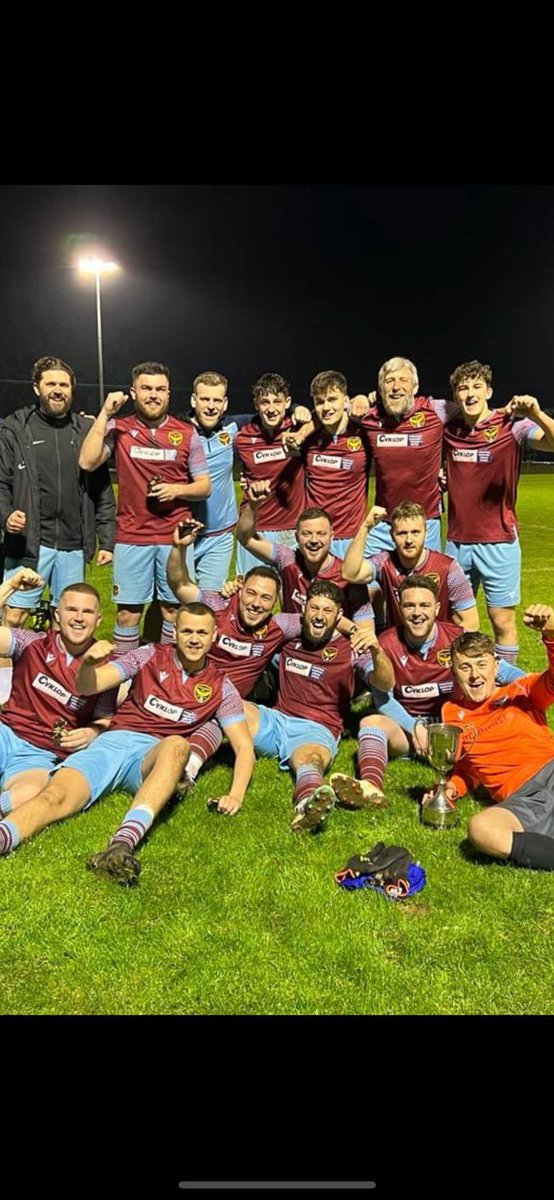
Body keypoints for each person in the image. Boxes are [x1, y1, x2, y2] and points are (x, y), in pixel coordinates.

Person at [0, 601, 254, 884]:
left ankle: (122, 844)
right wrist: (88, 664)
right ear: (175, 633)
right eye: (187, 631)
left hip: (153, 757)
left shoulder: (221, 686)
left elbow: (243, 747)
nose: (194, 639)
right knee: (52, 796)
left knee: (178, 745)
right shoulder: (148, 655)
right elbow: (88, 686)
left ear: (214, 636)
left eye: (201, 633)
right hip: (114, 743)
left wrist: (236, 795)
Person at [166, 521, 373, 786]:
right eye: (250, 593)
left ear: (275, 602)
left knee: (223, 705)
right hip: (180, 685)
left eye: (265, 598)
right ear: (238, 590)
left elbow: (318, 617)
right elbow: (179, 583)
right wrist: (177, 548)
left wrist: (355, 631)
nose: (256, 603)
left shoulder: (280, 625)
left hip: (218, 701)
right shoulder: (217, 605)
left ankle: (186, 772)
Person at [329, 575, 522, 810]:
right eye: (409, 605)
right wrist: (414, 727)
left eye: (424, 605)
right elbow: (382, 697)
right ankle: (370, 787)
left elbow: (503, 670)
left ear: (437, 608)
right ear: (399, 607)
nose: (417, 613)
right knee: (370, 721)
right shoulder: (386, 643)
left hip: (456, 728)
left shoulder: (456, 638)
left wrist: (527, 688)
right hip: (410, 730)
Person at [77, 361, 211, 654]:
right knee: (127, 614)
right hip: (131, 537)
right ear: (133, 392)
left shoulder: (186, 433)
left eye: (160, 389)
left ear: (168, 394)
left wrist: (176, 489)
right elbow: (87, 461)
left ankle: (163, 675)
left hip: (173, 539)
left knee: (174, 613)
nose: (154, 394)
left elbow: (204, 486)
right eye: (146, 388)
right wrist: (105, 412)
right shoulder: (119, 428)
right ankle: (125, 677)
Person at [242, 579, 394, 833]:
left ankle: (307, 803)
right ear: (304, 609)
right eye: (314, 608)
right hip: (276, 719)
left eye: (327, 611)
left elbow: (385, 683)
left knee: (309, 759)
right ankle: (189, 767)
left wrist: (377, 651)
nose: (319, 616)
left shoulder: (351, 648)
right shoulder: (289, 635)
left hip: (316, 728)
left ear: (339, 616)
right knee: (229, 707)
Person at [443, 360, 554, 665]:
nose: (470, 393)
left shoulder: (512, 425)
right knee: (456, 621)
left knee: (501, 622)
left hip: (499, 542)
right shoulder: (449, 430)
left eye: (477, 386)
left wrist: (536, 414)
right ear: (455, 395)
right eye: (463, 387)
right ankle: (463, 684)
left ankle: (506, 690)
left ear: (489, 390)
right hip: (456, 543)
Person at [0, 356, 115, 630]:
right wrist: (5, 517)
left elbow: (102, 490)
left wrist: (107, 540)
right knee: (14, 616)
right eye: (50, 383)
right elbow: (1, 483)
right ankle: (9, 674)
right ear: (36, 387)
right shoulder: (15, 429)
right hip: (28, 544)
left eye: (64, 384)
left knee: (66, 622)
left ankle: (55, 673)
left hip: (73, 545)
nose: (58, 389)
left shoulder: (86, 430)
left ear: (72, 389)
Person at [435, 608, 554, 871]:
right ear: (454, 673)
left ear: (496, 667)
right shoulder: (451, 714)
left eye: (481, 664)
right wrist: (452, 788)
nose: (474, 675)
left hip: (550, 770)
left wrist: (551, 634)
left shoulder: (521, 691)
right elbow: (468, 767)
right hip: (522, 800)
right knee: (482, 829)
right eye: (465, 667)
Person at [0, 578, 116, 823]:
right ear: (57, 614)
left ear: (98, 620)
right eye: (71, 609)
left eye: (87, 611)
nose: (79, 618)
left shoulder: (106, 666)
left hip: (40, 754)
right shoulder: (33, 643)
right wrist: (9, 586)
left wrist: (92, 732)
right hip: (6, 733)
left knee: (30, 794)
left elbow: (105, 718)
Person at [348, 356, 454, 552]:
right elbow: (327, 411)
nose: (396, 387)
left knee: (422, 582)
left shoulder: (436, 410)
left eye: (403, 380)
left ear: (415, 387)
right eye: (389, 381)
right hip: (383, 522)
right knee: (364, 579)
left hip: (424, 522)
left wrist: (449, 466)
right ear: (380, 390)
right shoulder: (368, 416)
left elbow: (477, 415)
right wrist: (359, 398)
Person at [236, 481, 375, 628]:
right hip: (292, 645)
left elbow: (365, 633)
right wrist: (252, 506)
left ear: (331, 537)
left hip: (332, 647)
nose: (314, 540)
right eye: (306, 534)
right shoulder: (287, 559)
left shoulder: (347, 576)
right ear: (296, 538)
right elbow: (246, 538)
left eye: (321, 534)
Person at [342, 501, 478, 631]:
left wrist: (445, 646)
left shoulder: (448, 568)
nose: (409, 540)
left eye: (415, 532)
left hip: (437, 648)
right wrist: (366, 527)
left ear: (425, 532)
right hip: (398, 648)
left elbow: (471, 623)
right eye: (402, 533)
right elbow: (350, 574)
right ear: (392, 535)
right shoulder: (383, 562)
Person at [285, 370, 372, 558]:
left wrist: (364, 398)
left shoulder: (364, 432)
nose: (326, 407)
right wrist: (295, 410)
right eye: (320, 401)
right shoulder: (307, 436)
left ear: (346, 400)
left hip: (352, 536)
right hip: (316, 537)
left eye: (332, 399)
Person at [234, 373, 308, 577]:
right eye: (265, 402)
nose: (272, 408)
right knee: (250, 598)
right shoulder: (241, 437)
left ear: (288, 403)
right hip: (253, 529)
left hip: (290, 530)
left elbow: (320, 419)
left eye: (277, 401)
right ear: (256, 404)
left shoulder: (297, 431)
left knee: (293, 597)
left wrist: (302, 417)